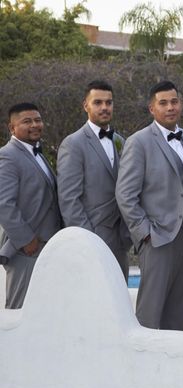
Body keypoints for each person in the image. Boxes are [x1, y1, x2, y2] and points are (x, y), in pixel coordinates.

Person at [115, 81, 183, 331]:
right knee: (150, 314)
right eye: (163, 103)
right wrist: (145, 233)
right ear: (152, 108)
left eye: (174, 101)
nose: (170, 107)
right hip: (158, 237)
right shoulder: (138, 142)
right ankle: (141, 367)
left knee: (180, 309)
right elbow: (125, 194)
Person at [57, 80, 131, 279]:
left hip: (120, 242)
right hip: (91, 239)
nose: (105, 107)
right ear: (86, 105)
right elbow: (69, 199)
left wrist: (127, 236)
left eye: (109, 102)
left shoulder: (121, 142)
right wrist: (87, 240)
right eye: (98, 102)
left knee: (117, 304)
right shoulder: (73, 144)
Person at [0, 103, 61, 308]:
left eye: (38, 120)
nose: (35, 125)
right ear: (12, 128)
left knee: (43, 312)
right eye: (27, 121)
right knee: (19, 312)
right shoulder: (7, 156)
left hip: (47, 247)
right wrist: (27, 240)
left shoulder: (38, 154)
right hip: (26, 251)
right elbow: (4, 204)